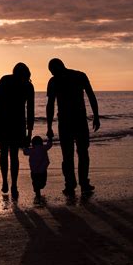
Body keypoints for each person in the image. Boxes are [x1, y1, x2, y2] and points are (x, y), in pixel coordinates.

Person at [46, 58, 100, 195]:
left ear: (57, 68)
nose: (52, 74)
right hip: (74, 121)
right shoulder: (78, 76)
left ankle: (75, 184)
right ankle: (77, 183)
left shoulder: (57, 80)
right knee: (77, 153)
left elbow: (50, 105)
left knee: (74, 154)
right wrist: (96, 116)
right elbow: (91, 96)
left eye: (52, 71)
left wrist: (49, 126)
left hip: (70, 121)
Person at [0, 62, 35, 198]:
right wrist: (29, 132)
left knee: (3, 152)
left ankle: (5, 182)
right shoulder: (28, 86)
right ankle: (13, 184)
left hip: (3, 121)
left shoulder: (6, 80)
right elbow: (30, 111)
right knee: (14, 155)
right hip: (16, 123)